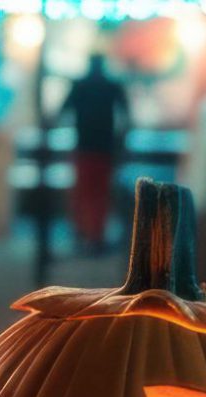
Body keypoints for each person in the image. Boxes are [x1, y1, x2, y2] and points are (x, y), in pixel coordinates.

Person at [58, 54, 130, 255]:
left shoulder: (80, 85)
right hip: (105, 148)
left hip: (85, 147)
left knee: (83, 194)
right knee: (99, 195)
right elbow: (126, 115)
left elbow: (62, 112)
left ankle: (83, 235)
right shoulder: (111, 86)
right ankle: (94, 237)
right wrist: (122, 142)